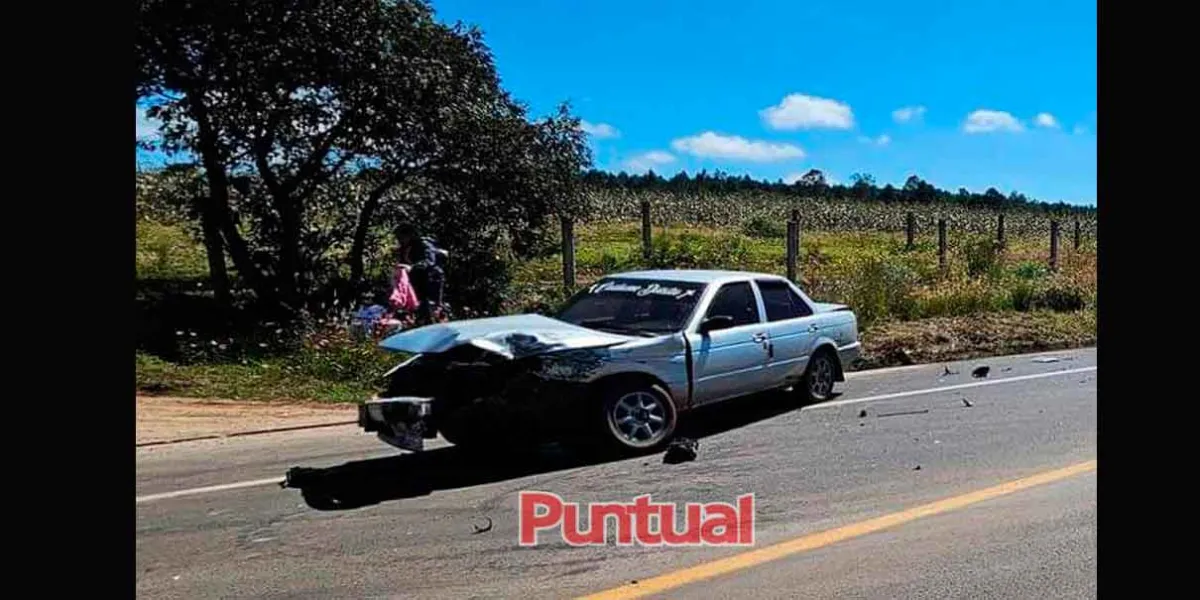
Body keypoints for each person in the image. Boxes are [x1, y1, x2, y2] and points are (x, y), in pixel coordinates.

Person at [393, 223, 446, 324]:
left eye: (402, 236)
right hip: (414, 281)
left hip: (431, 280)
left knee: (430, 307)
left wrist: (412, 268)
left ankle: (434, 322)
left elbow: (429, 262)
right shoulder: (405, 248)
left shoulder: (424, 245)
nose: (400, 240)